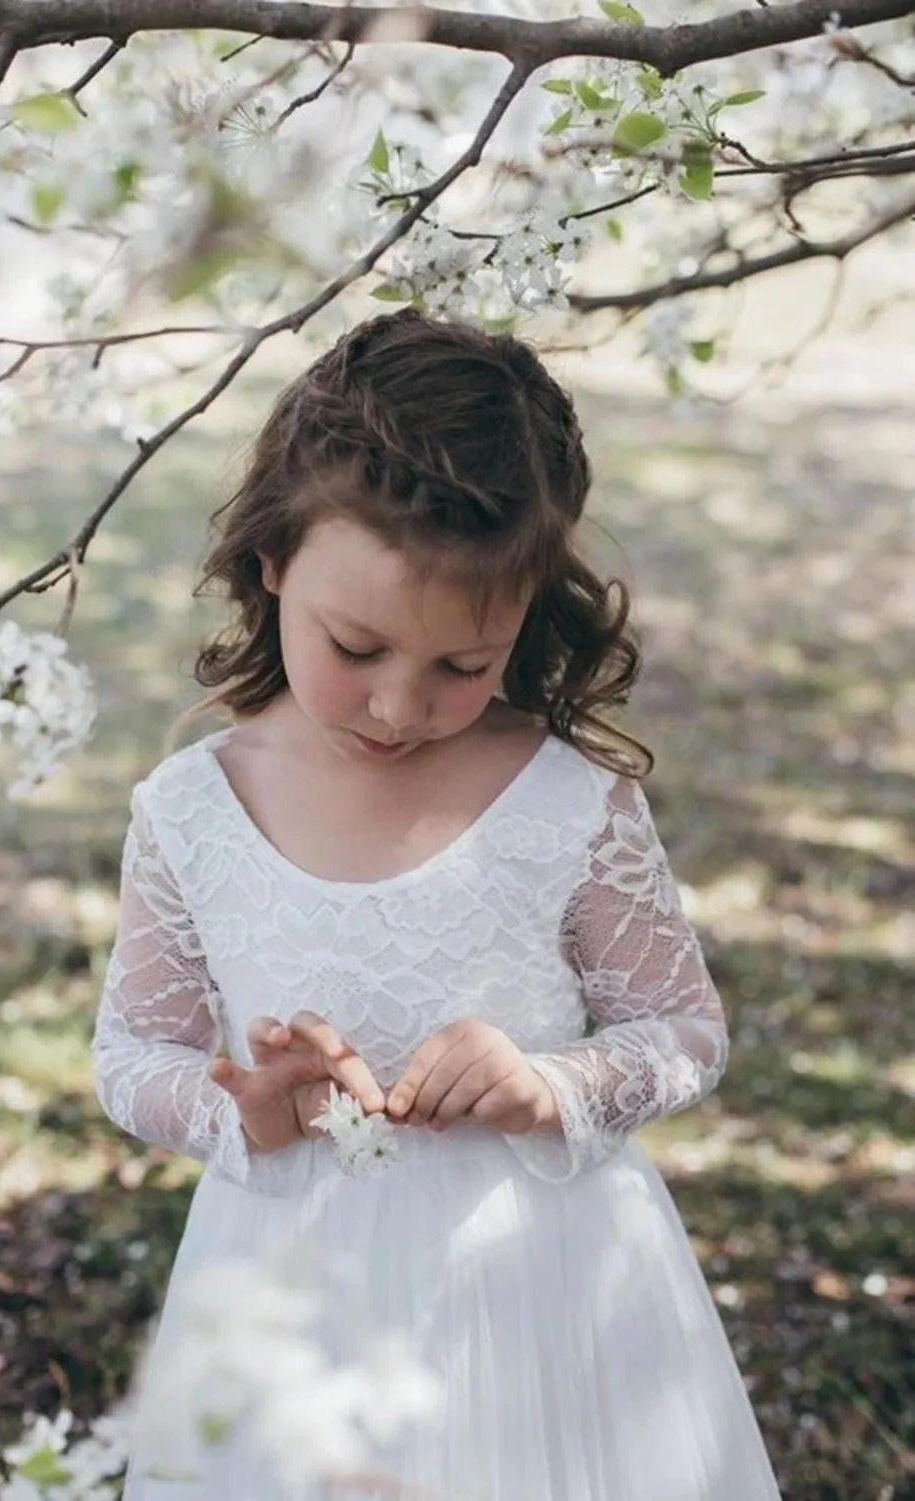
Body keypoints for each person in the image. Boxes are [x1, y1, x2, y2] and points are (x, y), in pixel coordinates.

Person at [92, 308, 783, 1500]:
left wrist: (552, 1081)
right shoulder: (193, 811)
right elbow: (127, 1051)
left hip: (543, 1290)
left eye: (464, 666)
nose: (399, 707)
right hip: (289, 1288)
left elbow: (683, 1029)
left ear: (519, 620)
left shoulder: (569, 802)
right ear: (271, 562)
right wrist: (236, 1111)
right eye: (354, 646)